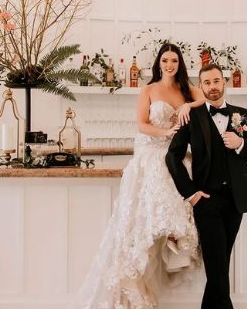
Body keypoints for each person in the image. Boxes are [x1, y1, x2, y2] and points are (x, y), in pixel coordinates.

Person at [70, 43, 207, 308]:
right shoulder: (149, 89)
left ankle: (171, 240)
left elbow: (203, 97)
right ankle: (135, 278)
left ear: (179, 64)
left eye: (174, 61)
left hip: (175, 156)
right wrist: (165, 133)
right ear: (159, 63)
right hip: (151, 154)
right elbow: (142, 124)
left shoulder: (184, 88)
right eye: (166, 61)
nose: (170, 65)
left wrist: (189, 106)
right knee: (142, 221)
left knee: (177, 198)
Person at [166, 63, 247, 309]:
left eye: (216, 81)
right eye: (207, 83)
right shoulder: (192, 116)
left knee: (219, 264)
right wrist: (190, 193)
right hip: (206, 200)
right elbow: (172, 156)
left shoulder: (242, 114)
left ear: (224, 83)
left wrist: (240, 143)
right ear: (201, 87)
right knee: (217, 266)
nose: (212, 87)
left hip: (236, 200)